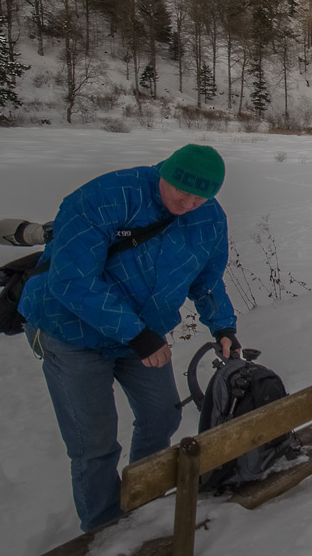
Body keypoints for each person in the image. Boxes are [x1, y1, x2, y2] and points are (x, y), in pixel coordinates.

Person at [20, 144, 238, 533]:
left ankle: (144, 500)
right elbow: (72, 280)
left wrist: (223, 327)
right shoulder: (106, 197)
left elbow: (207, 281)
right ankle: (104, 532)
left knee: (162, 415)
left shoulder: (209, 218)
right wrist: (137, 335)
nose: (189, 204)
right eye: (181, 193)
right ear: (164, 174)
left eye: (199, 197)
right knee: (95, 443)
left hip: (141, 335)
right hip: (71, 332)